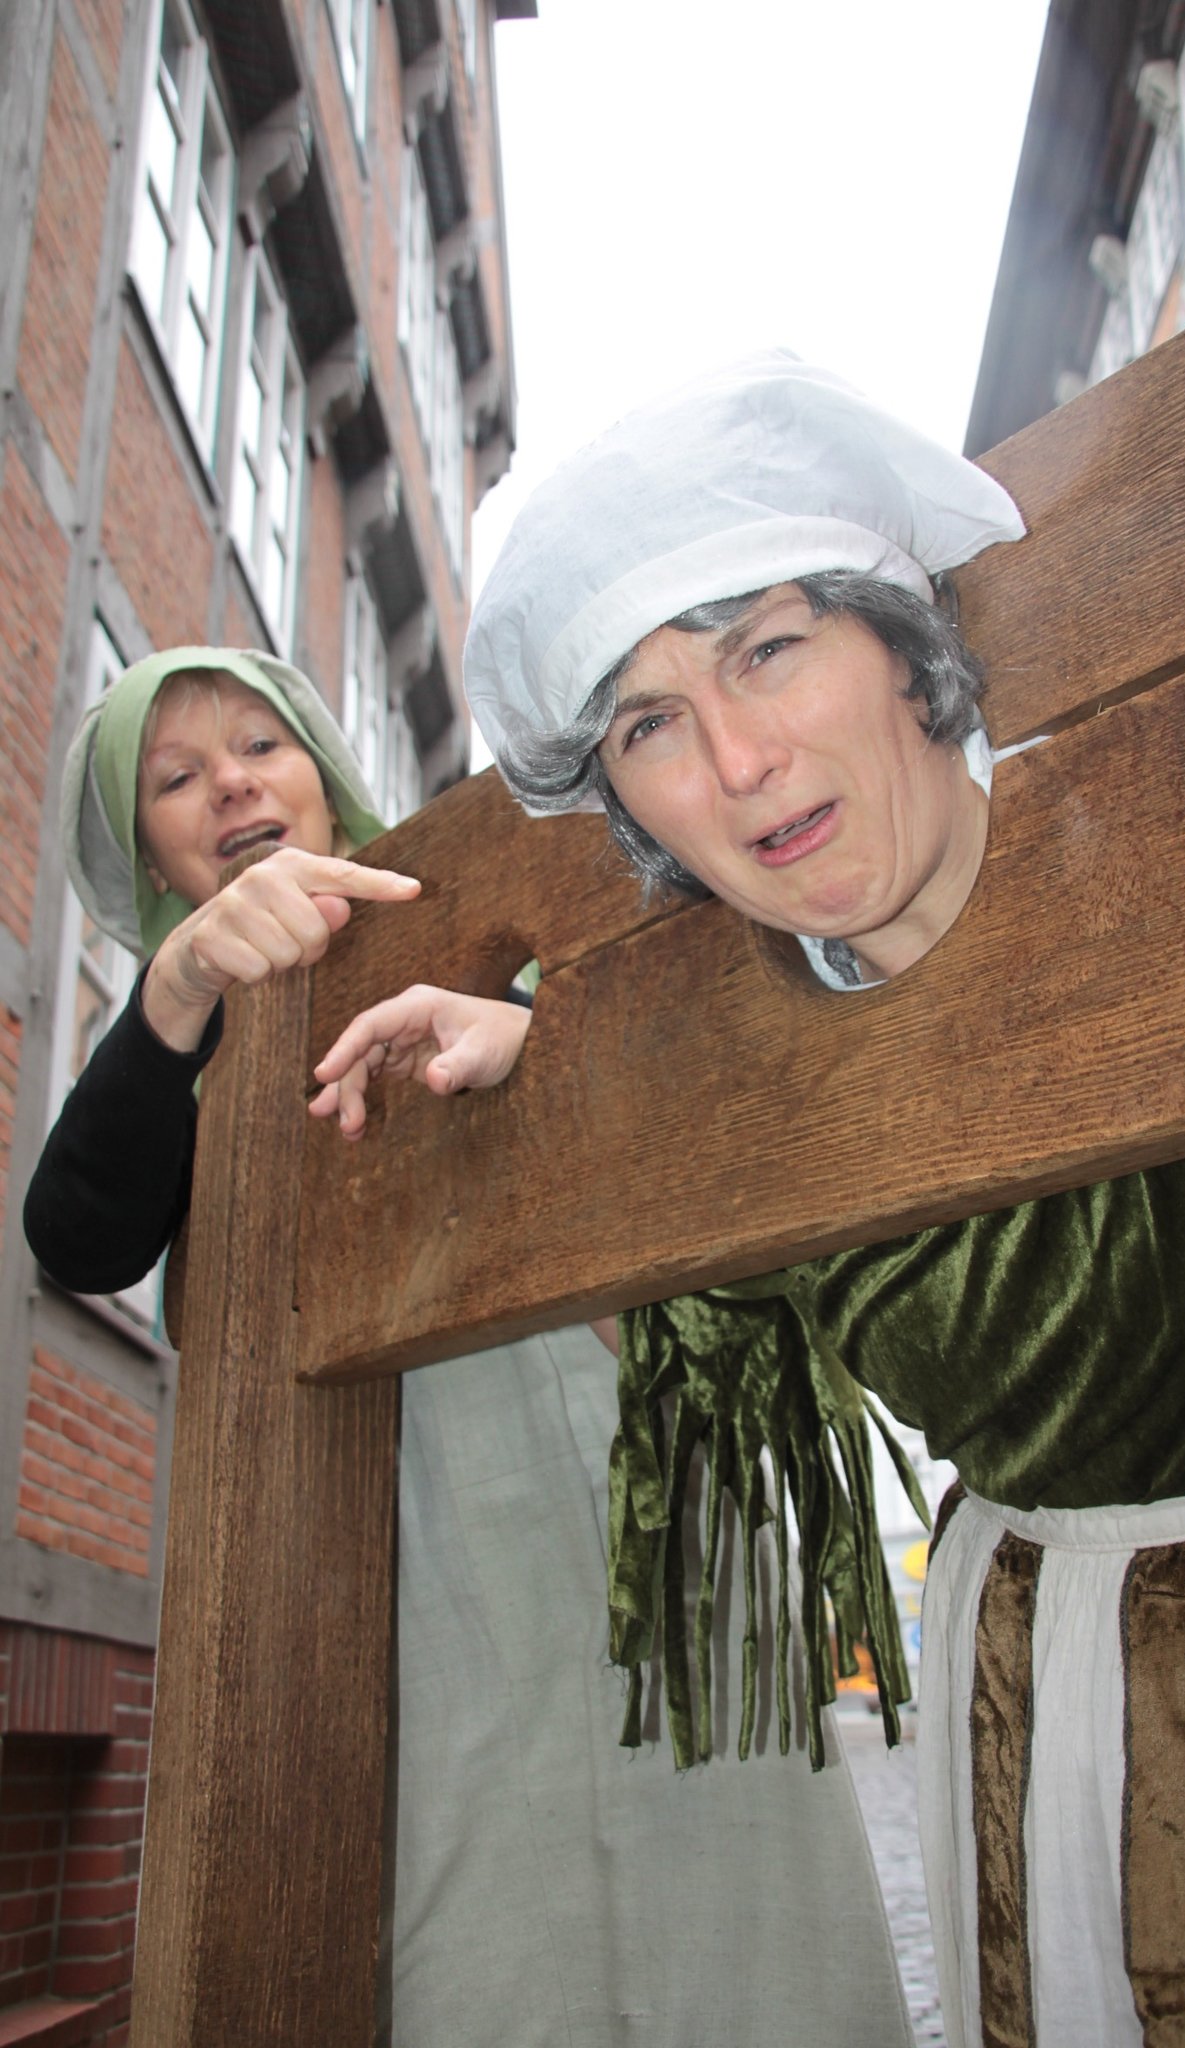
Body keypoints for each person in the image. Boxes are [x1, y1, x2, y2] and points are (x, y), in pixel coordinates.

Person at [399, 354, 1185, 2048]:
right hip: (1039, 1700)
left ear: (907, 660)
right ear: (623, 807)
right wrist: (538, 1064)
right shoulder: (701, 1099)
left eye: (765, 647)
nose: (742, 757)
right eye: (647, 724)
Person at [24, 643, 918, 2048]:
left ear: (319, 766)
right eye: (175, 779)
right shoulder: (175, 1042)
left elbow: (688, 1106)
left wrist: (523, 1034)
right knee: (469, 1899)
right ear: (150, 849)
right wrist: (185, 985)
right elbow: (77, 1237)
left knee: (722, 1858)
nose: (230, 789)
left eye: (257, 746)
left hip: (609, 1446)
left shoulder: (488, 918)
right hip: (378, 1519)